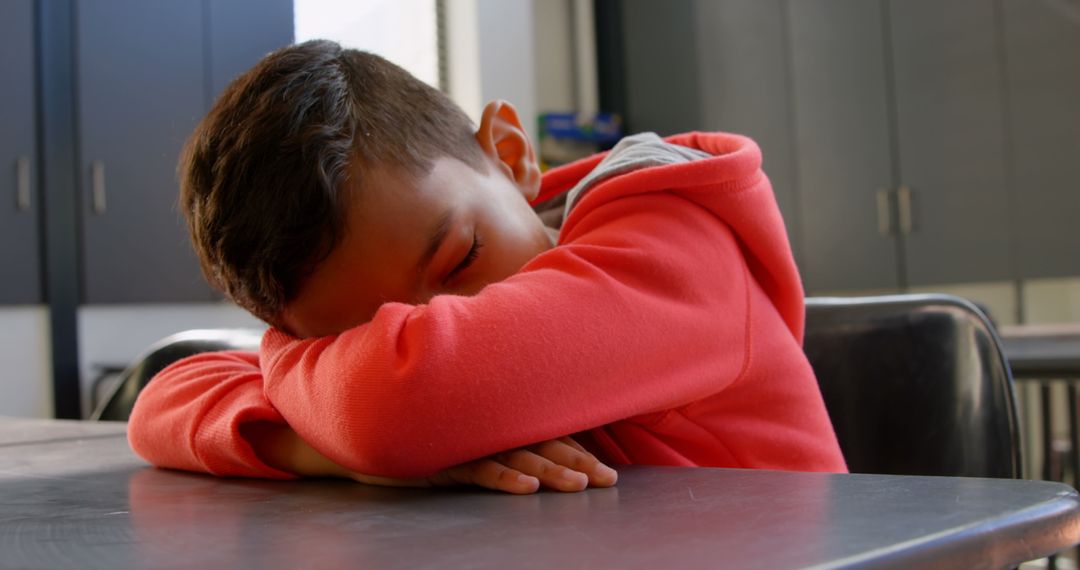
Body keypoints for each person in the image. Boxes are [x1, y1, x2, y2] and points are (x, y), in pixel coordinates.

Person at [128, 40, 847, 494]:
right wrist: (328, 452)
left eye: (460, 259)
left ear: (510, 152)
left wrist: (304, 368)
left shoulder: (675, 237)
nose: (447, 321)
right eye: (361, 335)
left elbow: (395, 404)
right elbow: (161, 402)